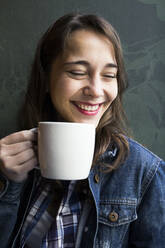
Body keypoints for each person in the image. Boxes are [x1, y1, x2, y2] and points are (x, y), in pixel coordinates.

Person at [0, 13, 165, 248]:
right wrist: (7, 185)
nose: (96, 90)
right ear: (46, 78)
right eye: (77, 73)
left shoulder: (145, 173)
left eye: (109, 75)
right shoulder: (8, 165)